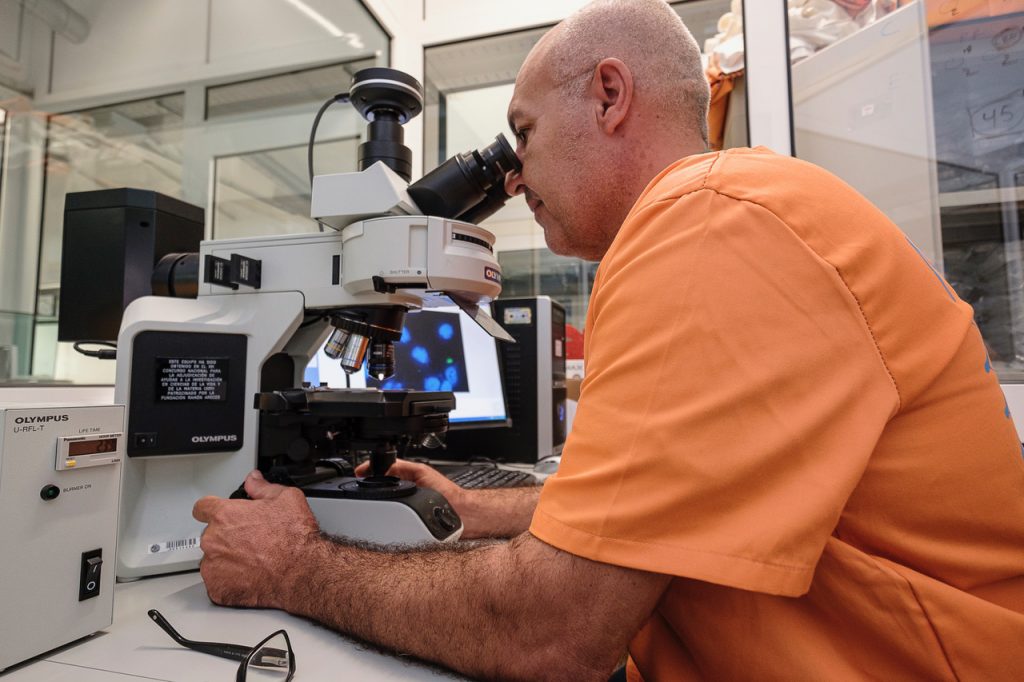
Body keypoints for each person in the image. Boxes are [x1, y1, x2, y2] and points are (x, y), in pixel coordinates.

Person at [193, 0, 1024, 679]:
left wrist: (294, 567)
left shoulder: (706, 223)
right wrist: (486, 510)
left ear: (609, 95)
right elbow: (676, 501)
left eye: (523, 133)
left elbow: (553, 633)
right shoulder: (744, 211)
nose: (512, 176)